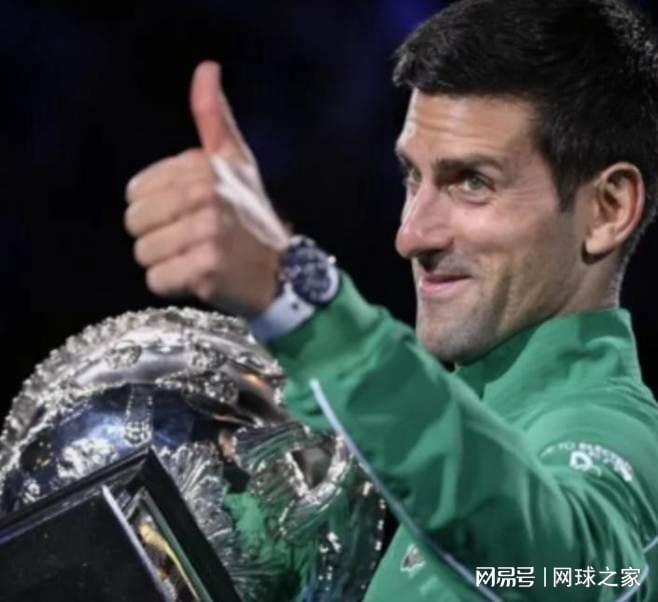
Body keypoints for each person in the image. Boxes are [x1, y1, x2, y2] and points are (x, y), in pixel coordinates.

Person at [123, 0, 658, 599]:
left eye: (472, 182)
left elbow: (570, 577)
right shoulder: (417, 440)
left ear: (608, 209)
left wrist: (297, 297)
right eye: (412, 177)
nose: (411, 235)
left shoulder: (612, 435)